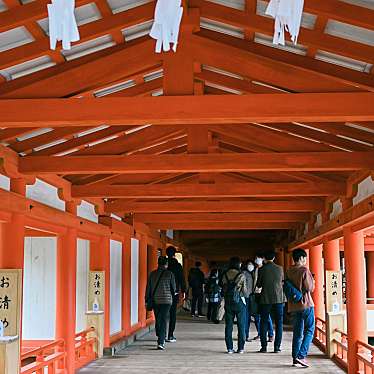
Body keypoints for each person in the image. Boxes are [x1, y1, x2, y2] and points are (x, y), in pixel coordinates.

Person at [286, 248, 315, 368]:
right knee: (310, 330)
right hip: (306, 304)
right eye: (305, 258)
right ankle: (301, 355)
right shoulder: (304, 270)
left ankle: (295, 358)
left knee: (297, 333)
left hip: (294, 306)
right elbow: (309, 288)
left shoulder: (289, 271)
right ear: (302, 258)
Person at [256, 250, 285, 353]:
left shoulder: (262, 269)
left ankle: (264, 347)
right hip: (279, 299)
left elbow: (258, 285)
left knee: (263, 322)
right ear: (274, 258)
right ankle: (277, 347)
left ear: (264, 258)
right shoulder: (280, 269)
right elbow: (282, 281)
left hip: (265, 299)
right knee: (279, 323)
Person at [145, 256, 176, 350]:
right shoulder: (170, 274)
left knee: (158, 318)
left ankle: (160, 335)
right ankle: (161, 341)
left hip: (155, 300)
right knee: (163, 320)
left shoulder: (152, 274)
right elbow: (173, 288)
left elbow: (148, 288)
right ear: (166, 264)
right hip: (167, 301)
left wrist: (146, 299)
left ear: (158, 263)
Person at [222, 257, 248, 354]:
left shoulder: (225, 274)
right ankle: (241, 348)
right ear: (238, 264)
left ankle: (229, 348)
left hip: (228, 301)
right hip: (239, 302)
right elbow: (245, 292)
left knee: (228, 325)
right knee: (241, 325)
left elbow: (223, 288)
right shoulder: (241, 275)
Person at [165, 246, 186, 342]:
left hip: (163, 292)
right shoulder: (178, 266)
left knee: (163, 314)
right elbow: (182, 279)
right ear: (174, 254)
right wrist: (184, 291)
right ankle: (170, 335)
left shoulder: (164, 265)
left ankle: (161, 335)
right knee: (172, 314)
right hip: (174, 292)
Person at [252, 254, 274, 342]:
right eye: (256, 258)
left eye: (259, 258)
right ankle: (260, 333)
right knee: (256, 316)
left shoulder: (265, 270)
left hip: (263, 294)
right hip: (255, 294)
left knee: (266, 315)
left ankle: (271, 334)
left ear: (263, 259)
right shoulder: (256, 269)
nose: (257, 260)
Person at [242, 260, 255, 342]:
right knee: (245, 317)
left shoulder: (253, 273)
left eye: (251, 264)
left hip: (251, 297)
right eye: (249, 264)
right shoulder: (243, 273)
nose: (250, 266)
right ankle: (244, 335)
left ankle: (245, 334)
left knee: (248, 317)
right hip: (245, 297)